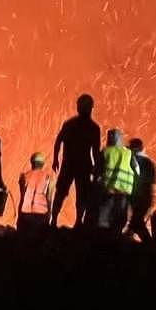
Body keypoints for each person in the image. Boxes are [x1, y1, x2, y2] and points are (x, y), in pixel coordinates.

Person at [51, 94, 102, 228]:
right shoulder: (93, 128)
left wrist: (55, 159)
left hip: (69, 164)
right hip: (83, 165)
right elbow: (95, 151)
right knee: (81, 194)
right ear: (91, 108)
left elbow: (58, 141)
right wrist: (97, 168)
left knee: (62, 192)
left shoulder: (70, 124)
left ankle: (54, 220)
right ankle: (77, 221)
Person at [97, 128, 138, 232]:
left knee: (104, 218)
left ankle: (103, 241)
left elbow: (97, 170)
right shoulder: (128, 153)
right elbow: (137, 170)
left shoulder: (106, 151)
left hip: (109, 190)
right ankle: (117, 238)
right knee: (120, 219)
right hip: (124, 191)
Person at [126, 137, 156, 241]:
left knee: (137, 222)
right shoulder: (148, 162)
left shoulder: (133, 162)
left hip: (139, 198)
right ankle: (129, 237)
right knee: (136, 222)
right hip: (145, 198)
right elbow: (153, 179)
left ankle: (150, 245)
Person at [18, 152, 53, 232]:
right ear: (43, 164)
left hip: (26, 215)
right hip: (41, 216)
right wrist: (49, 216)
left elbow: (22, 198)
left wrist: (19, 218)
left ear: (32, 163)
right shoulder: (49, 179)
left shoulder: (23, 177)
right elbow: (49, 200)